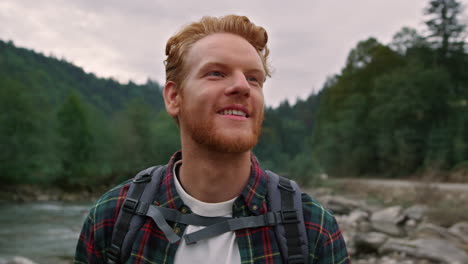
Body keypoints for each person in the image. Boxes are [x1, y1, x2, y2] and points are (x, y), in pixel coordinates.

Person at [74, 15, 350, 264]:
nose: (243, 86)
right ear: (174, 97)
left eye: (254, 79)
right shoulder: (113, 218)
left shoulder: (312, 226)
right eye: (216, 73)